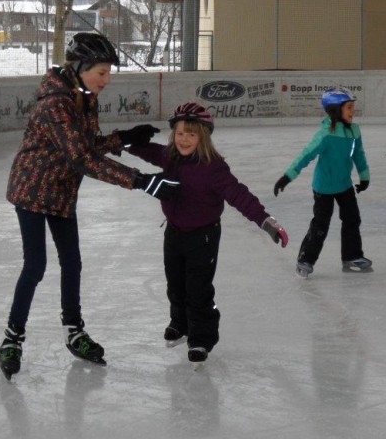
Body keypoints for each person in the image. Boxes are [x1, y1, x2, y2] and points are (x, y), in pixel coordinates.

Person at [0, 32, 178, 380]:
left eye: (109, 72)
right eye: (101, 72)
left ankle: (74, 330)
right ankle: (12, 338)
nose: (107, 80)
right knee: (35, 265)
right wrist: (143, 181)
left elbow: (89, 145)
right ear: (80, 68)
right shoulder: (54, 104)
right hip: (32, 191)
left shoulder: (85, 98)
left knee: (72, 263)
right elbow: (81, 158)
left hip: (62, 192)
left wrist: (125, 138)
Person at [124, 102, 289, 368]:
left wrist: (266, 221)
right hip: (174, 232)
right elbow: (144, 150)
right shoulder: (169, 156)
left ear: (203, 136)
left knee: (198, 289)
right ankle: (179, 323)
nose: (184, 139)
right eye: (180, 133)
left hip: (203, 237)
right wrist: (124, 140)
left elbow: (239, 195)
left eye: (191, 134)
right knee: (175, 283)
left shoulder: (213, 167)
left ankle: (202, 337)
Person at [273, 87, 372, 278]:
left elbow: (358, 155)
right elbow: (306, 155)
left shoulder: (354, 131)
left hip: (344, 185)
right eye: (349, 107)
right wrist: (288, 176)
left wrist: (364, 176)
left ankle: (351, 255)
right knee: (320, 225)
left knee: (352, 219)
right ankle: (305, 260)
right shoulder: (325, 135)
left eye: (353, 107)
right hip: (324, 188)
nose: (353, 111)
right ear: (335, 110)